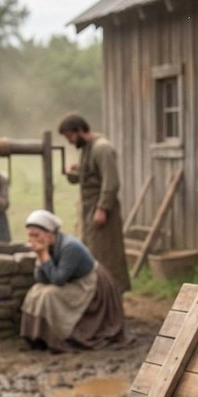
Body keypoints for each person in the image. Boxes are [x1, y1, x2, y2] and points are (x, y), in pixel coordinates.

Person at [19, 209, 125, 352]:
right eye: (30, 235)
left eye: (36, 235)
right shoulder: (48, 246)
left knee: (49, 295)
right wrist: (40, 256)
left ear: (49, 235)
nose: (32, 240)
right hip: (70, 280)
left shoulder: (70, 248)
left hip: (90, 284)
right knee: (36, 291)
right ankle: (36, 336)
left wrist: (43, 254)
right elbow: (41, 279)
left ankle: (59, 336)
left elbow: (58, 280)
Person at [58, 113, 132, 294]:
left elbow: (111, 182)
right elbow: (90, 178)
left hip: (103, 214)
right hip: (91, 212)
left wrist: (102, 209)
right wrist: (71, 172)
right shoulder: (88, 149)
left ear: (79, 130)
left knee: (107, 257)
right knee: (92, 255)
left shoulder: (102, 148)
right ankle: (99, 297)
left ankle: (112, 299)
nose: (69, 142)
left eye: (70, 136)